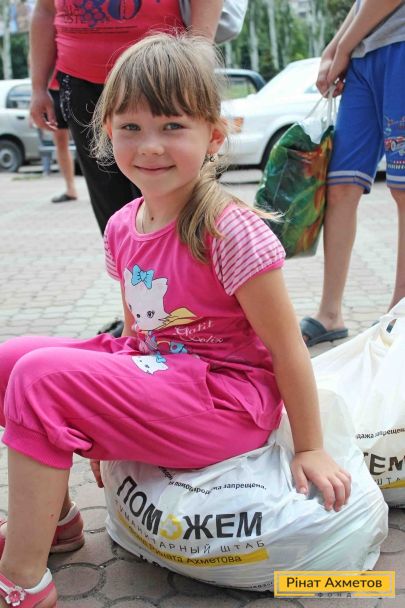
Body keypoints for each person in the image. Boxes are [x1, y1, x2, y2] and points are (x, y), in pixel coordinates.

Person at [0, 34, 351, 607]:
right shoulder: (123, 224)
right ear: (106, 132)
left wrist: (310, 447)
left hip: (224, 401)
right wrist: (103, 424)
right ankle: (55, 522)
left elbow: (287, 348)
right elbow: (137, 334)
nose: (150, 146)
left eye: (172, 126)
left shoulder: (228, 230)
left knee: (41, 378)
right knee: (12, 361)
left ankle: (22, 579)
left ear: (213, 136)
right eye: (131, 127)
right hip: (160, 375)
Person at [29, 0, 223, 337]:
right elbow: (45, 10)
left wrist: (198, 63)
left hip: (163, 75)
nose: (149, 147)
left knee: (185, 203)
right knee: (116, 214)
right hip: (82, 80)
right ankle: (139, 317)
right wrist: (37, 87)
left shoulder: (241, 232)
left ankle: (201, 312)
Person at [300, 0, 405, 347]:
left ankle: (400, 312)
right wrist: (333, 49)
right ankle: (330, 313)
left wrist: (343, 47)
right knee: (341, 185)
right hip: (363, 56)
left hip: (400, 46)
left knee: (403, 189)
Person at [48, 76, 78, 203]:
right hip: (52, 91)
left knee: (90, 140)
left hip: (74, 85)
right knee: (60, 143)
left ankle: (101, 189)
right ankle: (70, 189)